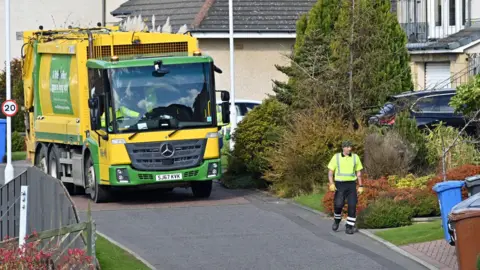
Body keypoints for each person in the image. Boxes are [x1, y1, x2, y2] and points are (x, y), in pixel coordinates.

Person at [327, 140, 364, 235]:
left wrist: (360, 185)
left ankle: (349, 226)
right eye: (347, 147)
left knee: (352, 205)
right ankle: (337, 220)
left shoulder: (355, 158)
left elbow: (359, 173)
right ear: (343, 148)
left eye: (350, 147)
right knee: (338, 204)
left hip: (351, 185)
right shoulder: (336, 157)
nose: (350, 148)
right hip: (340, 184)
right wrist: (331, 183)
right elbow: (330, 173)